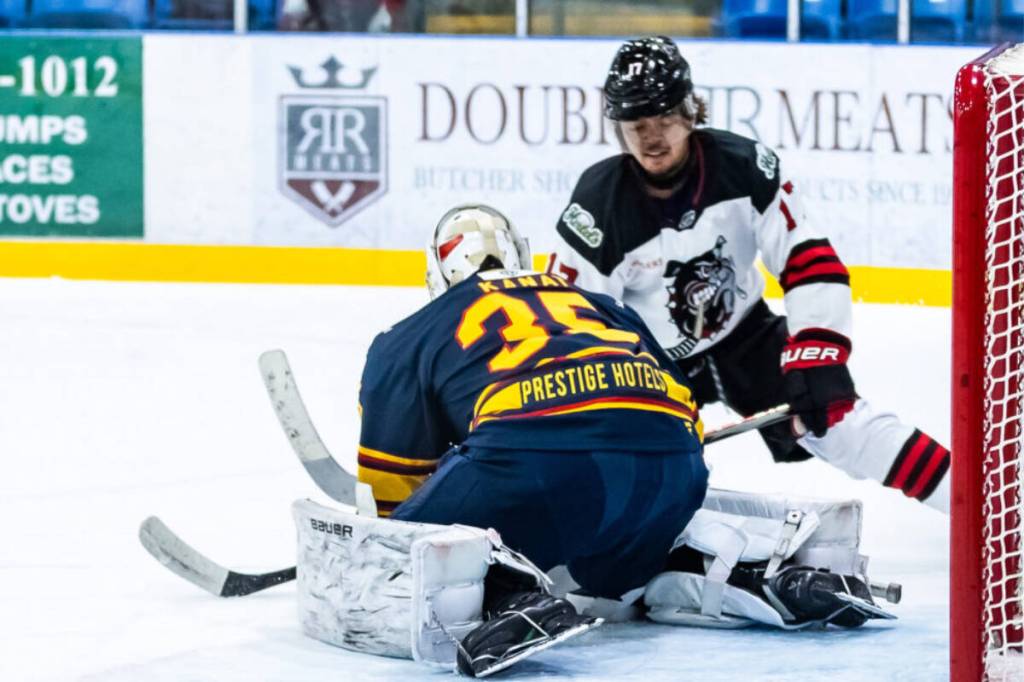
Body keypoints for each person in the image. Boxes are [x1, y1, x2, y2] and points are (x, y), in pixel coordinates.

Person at [548, 36, 949, 513]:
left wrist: (817, 351)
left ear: (691, 111)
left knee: (840, 419)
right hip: (653, 363)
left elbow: (807, 258)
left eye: (664, 120)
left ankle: (977, 504)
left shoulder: (745, 168)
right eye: (637, 125)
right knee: (642, 473)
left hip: (747, 337)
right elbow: (571, 323)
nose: (651, 137)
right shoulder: (598, 208)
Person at [354, 203, 708, 674]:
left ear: (437, 272)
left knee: (414, 559)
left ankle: (507, 594)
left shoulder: (410, 334)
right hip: (673, 476)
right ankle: (711, 568)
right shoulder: (604, 305)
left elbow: (394, 490)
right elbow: (691, 421)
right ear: (522, 255)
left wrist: (396, 551)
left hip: (535, 475)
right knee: (611, 578)